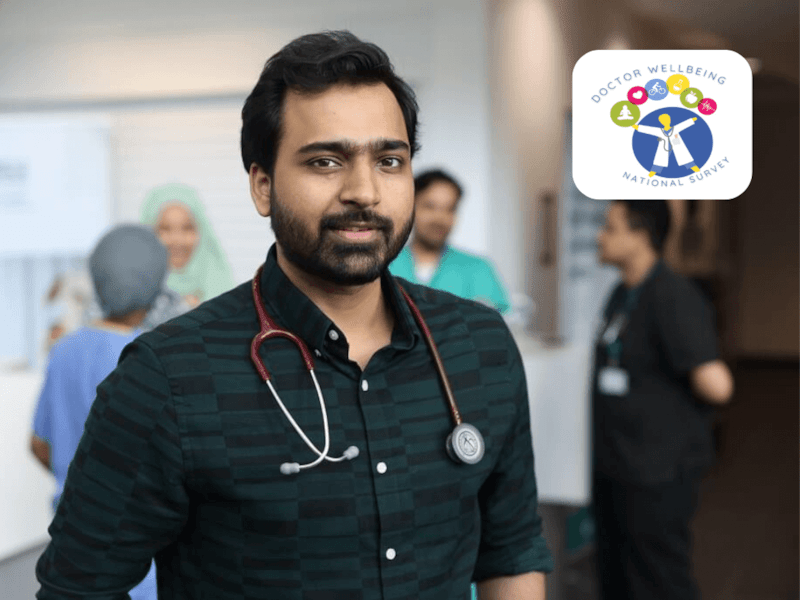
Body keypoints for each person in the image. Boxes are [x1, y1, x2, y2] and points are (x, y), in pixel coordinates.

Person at [35, 31, 552, 599]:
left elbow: (512, 552)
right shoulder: (169, 378)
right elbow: (78, 588)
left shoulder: (478, 346)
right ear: (262, 185)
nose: (364, 190)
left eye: (389, 160)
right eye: (326, 161)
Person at [591, 200, 734, 600]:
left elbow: (718, 386)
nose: (600, 237)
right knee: (617, 575)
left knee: (657, 579)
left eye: (609, 227)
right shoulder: (622, 292)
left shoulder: (673, 296)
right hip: (617, 464)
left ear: (639, 236)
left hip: (656, 472)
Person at [31, 224, 168, 600]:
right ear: (157, 284)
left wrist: (78, 478)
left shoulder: (63, 351)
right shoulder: (152, 360)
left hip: (70, 549)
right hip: (136, 562)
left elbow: (39, 445)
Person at [389, 169, 511, 314]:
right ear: (409, 207)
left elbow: (501, 326)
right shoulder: (384, 267)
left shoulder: (479, 270)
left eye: (450, 209)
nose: (439, 218)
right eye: (430, 206)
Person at [140, 182, 236, 307]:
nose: (177, 240)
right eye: (165, 228)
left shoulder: (226, 294)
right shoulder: (132, 297)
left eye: (187, 228)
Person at [633, 114, 701, 177]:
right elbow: (648, 129)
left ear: (670, 120)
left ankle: (693, 166)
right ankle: (654, 170)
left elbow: (683, 124)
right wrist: (636, 127)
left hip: (676, 144)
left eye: (666, 119)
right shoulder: (659, 131)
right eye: (662, 120)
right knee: (660, 158)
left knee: (683, 155)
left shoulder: (675, 128)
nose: (664, 121)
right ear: (660, 122)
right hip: (664, 146)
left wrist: (692, 120)